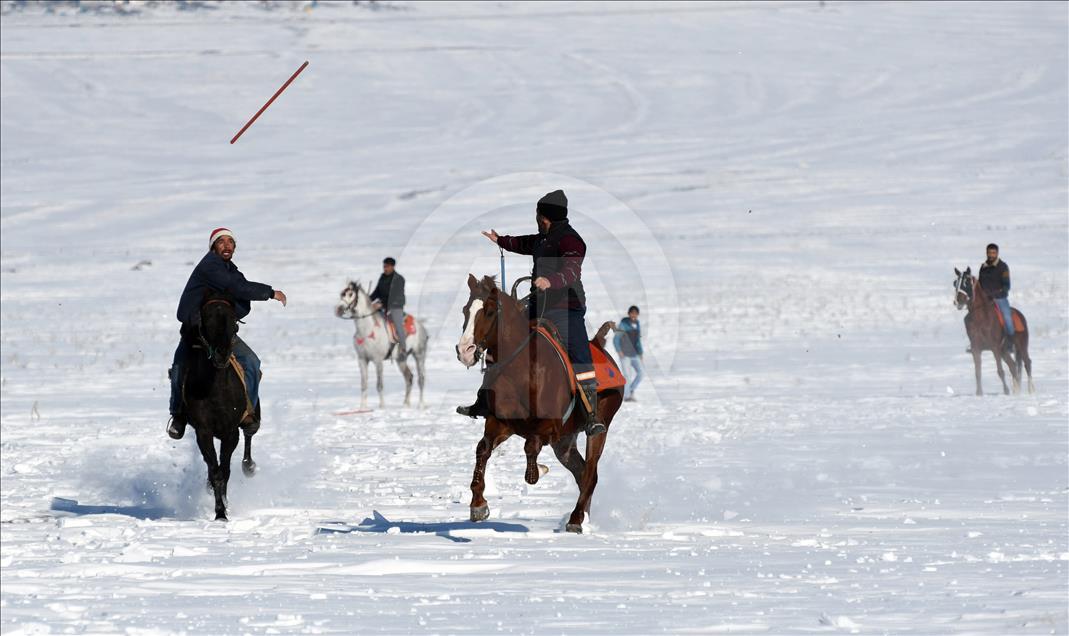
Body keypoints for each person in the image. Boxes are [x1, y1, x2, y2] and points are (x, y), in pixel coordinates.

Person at [460, 189, 605, 436]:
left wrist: (552, 280)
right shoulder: (542, 238)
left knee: (579, 352)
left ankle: (591, 414)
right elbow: (523, 243)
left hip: (565, 307)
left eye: (538, 215)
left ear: (546, 217)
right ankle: (485, 400)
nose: (537, 219)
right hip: (538, 305)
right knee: (505, 339)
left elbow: (572, 271)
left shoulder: (572, 241)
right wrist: (501, 240)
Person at [167, 228, 287, 440]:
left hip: (220, 332)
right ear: (213, 246)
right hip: (195, 331)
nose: (226, 246)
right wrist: (270, 293)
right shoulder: (210, 267)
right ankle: (178, 416)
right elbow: (238, 288)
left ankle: (248, 413)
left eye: (230, 242)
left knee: (251, 362)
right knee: (179, 367)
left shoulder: (231, 269)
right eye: (221, 242)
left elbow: (241, 296)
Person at [978, 243, 1014, 351]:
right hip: (985, 299)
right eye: (989, 252)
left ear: (997, 253)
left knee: (1007, 316)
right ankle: (977, 342)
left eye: (993, 253)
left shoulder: (1003, 267)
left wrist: (996, 294)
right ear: (986, 253)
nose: (991, 255)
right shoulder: (983, 267)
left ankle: (1010, 342)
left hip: (1000, 298)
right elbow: (980, 284)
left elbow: (1006, 286)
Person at [370, 257, 407, 355]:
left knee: (398, 325)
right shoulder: (382, 277)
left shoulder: (399, 279)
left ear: (392, 267)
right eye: (384, 266)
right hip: (383, 306)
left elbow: (395, 295)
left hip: (396, 306)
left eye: (387, 266)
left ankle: (403, 348)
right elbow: (376, 292)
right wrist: (368, 301)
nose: (385, 268)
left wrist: (381, 304)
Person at [613, 305, 644, 402]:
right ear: (629, 313)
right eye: (632, 313)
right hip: (625, 354)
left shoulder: (637, 323)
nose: (634, 315)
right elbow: (616, 339)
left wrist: (640, 353)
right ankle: (627, 396)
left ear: (638, 314)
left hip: (634, 354)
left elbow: (638, 340)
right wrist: (619, 351)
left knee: (641, 373)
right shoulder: (623, 324)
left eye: (636, 313)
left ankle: (630, 390)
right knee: (627, 375)